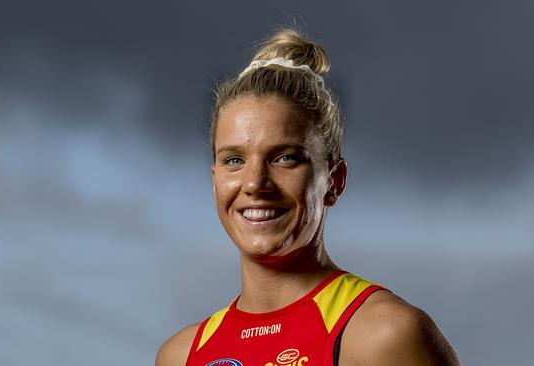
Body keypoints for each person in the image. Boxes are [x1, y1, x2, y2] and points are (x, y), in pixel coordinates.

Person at [156, 28, 460, 366]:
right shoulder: (181, 356)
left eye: (285, 157)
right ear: (215, 183)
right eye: (235, 160)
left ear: (334, 181)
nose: (255, 183)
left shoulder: (384, 335)